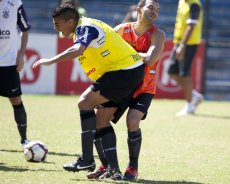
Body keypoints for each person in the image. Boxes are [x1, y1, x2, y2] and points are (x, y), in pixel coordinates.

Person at [32, 4, 144, 179]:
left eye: (57, 24)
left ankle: (86, 159)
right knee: (101, 120)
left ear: (70, 21)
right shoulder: (82, 28)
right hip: (126, 72)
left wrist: (50, 61)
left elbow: (77, 50)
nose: (56, 28)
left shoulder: (84, 27)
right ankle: (112, 169)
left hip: (125, 71)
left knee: (84, 102)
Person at [86, 0, 165, 181]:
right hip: (122, 86)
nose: (155, 12)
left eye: (158, 10)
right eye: (151, 8)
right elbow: (102, 47)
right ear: (139, 9)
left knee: (132, 120)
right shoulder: (122, 29)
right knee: (100, 117)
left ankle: (133, 168)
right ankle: (105, 166)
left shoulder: (158, 35)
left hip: (144, 88)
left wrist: (124, 53)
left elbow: (151, 59)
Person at [0, 0, 31, 149]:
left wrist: (21, 54)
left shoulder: (15, 3)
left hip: (9, 62)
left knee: (16, 100)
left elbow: (25, 30)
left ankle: (24, 139)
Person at [168, 0, 204, 116]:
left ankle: (189, 107)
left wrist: (182, 46)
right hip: (178, 42)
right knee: (172, 73)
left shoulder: (194, 4)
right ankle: (194, 95)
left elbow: (191, 26)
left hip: (188, 44)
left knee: (184, 74)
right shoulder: (182, 2)